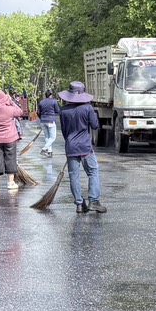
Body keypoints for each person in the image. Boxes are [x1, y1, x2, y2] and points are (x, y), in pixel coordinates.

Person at [58, 81, 106, 213]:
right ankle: (94, 201)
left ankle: (79, 204)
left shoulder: (64, 111)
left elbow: (64, 131)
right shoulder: (88, 108)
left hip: (71, 147)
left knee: (74, 176)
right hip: (85, 147)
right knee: (93, 172)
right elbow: (95, 126)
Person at [37, 88, 61, 157]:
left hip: (43, 121)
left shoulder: (41, 102)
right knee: (53, 137)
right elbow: (57, 110)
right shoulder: (54, 101)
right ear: (51, 94)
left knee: (47, 137)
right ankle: (44, 148)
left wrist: (41, 118)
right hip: (51, 120)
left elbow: (38, 112)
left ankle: (49, 152)